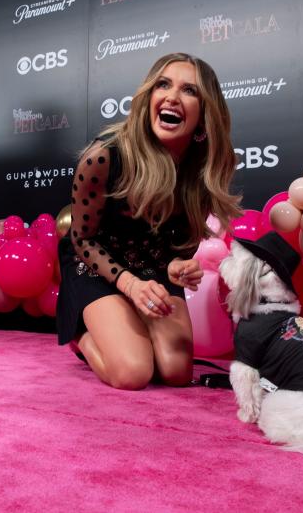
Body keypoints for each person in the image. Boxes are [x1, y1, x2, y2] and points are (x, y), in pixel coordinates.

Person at [56, 53, 241, 390]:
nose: (172, 97)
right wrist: (130, 285)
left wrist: (177, 267)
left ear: (205, 114)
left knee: (176, 372)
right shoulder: (105, 155)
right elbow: (82, 240)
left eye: (189, 91)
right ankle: (78, 334)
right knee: (133, 373)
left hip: (152, 268)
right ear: (149, 97)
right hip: (96, 266)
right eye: (163, 84)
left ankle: (125, 321)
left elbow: (178, 245)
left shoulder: (201, 171)